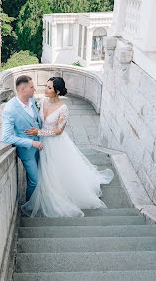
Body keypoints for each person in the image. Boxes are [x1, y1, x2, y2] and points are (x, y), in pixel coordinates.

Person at [21, 77, 114, 217]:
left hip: (55, 144)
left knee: (54, 171)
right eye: (46, 86)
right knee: (45, 170)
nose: (45, 89)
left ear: (57, 91)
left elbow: (59, 131)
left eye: (49, 88)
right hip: (41, 142)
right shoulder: (42, 101)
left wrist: (39, 132)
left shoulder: (63, 109)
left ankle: (59, 195)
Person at [1, 75, 43, 201]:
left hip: (41, 146)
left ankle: (39, 202)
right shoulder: (10, 109)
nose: (34, 89)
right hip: (27, 151)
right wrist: (31, 143)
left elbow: (36, 120)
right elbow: (7, 137)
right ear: (23, 90)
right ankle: (29, 206)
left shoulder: (32, 99)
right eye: (31, 87)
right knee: (35, 181)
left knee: (42, 176)